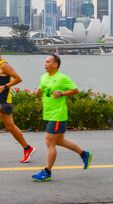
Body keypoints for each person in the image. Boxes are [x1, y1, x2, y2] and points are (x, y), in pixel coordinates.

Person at [32, 54, 92, 182]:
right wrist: (37, 91)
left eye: (48, 62)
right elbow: (41, 88)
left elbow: (75, 91)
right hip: (48, 114)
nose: (45, 64)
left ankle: (47, 171)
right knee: (59, 141)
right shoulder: (43, 77)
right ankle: (84, 154)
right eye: (45, 62)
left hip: (58, 115)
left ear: (56, 64)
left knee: (50, 141)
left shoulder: (62, 78)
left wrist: (62, 93)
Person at [0, 44, 35, 163]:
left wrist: (5, 86)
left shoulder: (4, 65)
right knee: (10, 126)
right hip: (0, 100)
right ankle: (27, 148)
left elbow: (18, 78)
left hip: (3, 101)